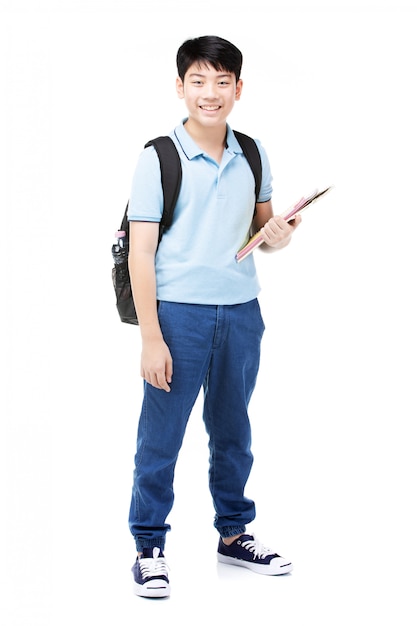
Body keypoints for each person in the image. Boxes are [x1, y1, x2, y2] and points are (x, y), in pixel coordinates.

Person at [127, 35, 301, 598]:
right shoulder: (159, 156)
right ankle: (149, 544)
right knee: (162, 436)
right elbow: (141, 252)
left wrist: (280, 235)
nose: (210, 93)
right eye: (198, 81)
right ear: (180, 87)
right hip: (178, 316)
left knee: (233, 432)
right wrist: (152, 338)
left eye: (222, 82)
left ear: (238, 89)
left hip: (242, 313)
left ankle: (234, 535)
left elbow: (262, 237)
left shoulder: (253, 152)